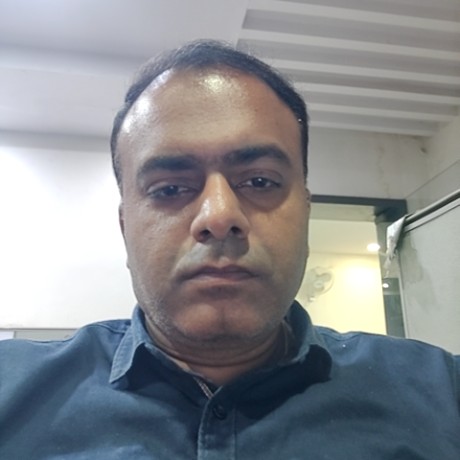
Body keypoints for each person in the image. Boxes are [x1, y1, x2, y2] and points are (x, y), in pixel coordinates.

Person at [0, 40, 458, 459]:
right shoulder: (11, 390)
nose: (219, 216)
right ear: (125, 228)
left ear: (305, 212)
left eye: (259, 181)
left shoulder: (443, 395)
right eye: (170, 188)